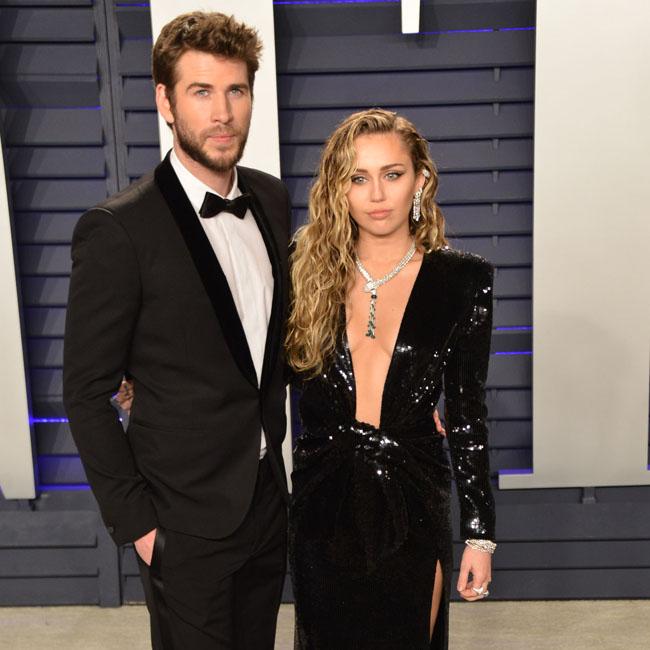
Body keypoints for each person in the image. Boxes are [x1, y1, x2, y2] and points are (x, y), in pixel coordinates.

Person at [63, 12, 291, 650]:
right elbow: (84, 392)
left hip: (266, 502)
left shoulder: (271, 200)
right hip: (180, 522)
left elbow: (276, 350)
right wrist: (140, 526)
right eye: (201, 91)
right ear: (165, 101)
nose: (223, 113)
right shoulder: (118, 229)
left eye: (236, 90)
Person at [285, 108, 496, 649]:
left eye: (392, 174)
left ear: (420, 181)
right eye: (358, 178)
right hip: (324, 499)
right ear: (339, 189)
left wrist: (479, 534)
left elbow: (467, 416)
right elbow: (259, 374)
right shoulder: (305, 270)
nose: (376, 194)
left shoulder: (462, 280)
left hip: (413, 495)